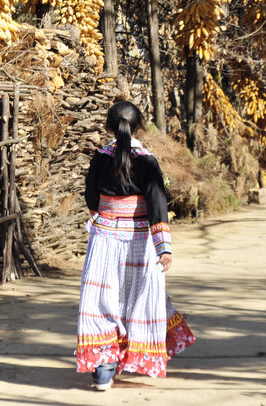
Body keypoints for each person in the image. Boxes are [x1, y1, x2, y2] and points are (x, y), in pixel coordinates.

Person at [77, 101, 195, 390]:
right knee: (137, 299)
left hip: (104, 240)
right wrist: (163, 246)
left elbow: (91, 196)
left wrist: (104, 220)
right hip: (140, 242)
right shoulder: (147, 161)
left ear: (109, 126)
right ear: (139, 126)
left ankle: (103, 370)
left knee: (102, 300)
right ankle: (129, 356)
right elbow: (157, 203)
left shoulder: (101, 157)